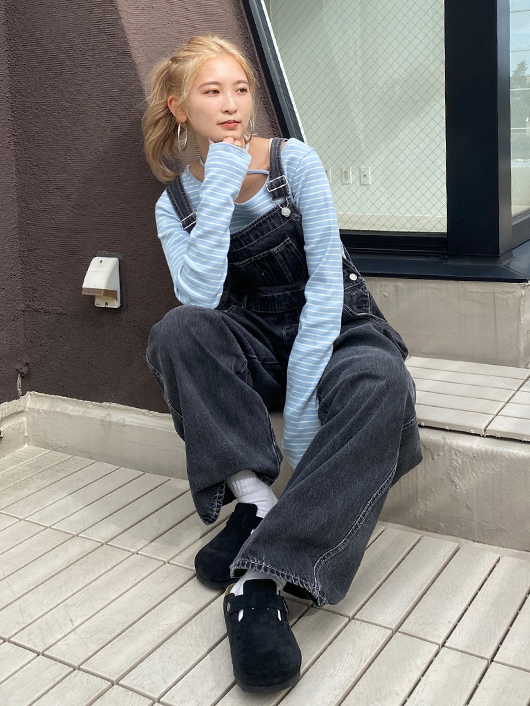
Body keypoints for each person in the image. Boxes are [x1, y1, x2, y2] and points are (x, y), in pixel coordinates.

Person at [142, 34, 422, 694]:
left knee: (383, 383)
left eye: (241, 89)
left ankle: (262, 577)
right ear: (180, 107)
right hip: (256, 332)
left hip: (337, 327)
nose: (232, 104)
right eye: (213, 91)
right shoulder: (174, 204)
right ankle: (255, 500)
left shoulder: (293, 161)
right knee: (177, 332)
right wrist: (216, 189)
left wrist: (299, 404)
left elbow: (325, 281)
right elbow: (199, 297)